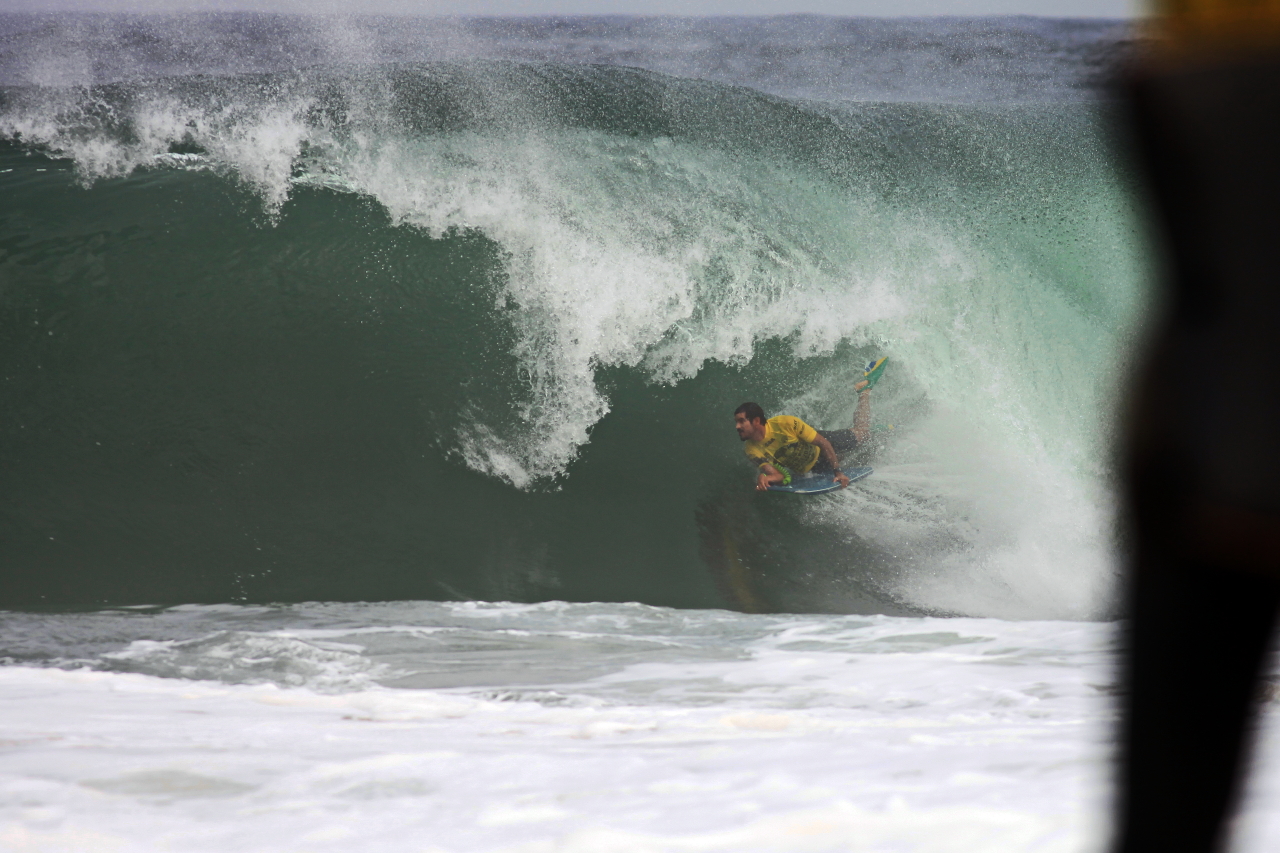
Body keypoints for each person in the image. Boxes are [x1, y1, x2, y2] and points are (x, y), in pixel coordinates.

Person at [734, 358, 886, 492]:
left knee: (863, 433)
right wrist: (766, 478)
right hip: (814, 467)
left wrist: (838, 473)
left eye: (741, 421)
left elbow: (823, 443)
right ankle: (869, 434)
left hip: (824, 444)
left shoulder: (785, 423)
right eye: (737, 422)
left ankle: (864, 391)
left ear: (756, 421)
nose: (737, 427)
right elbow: (778, 475)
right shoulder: (751, 450)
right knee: (853, 457)